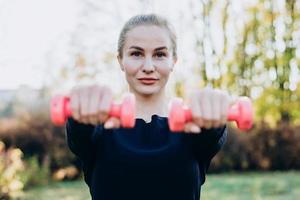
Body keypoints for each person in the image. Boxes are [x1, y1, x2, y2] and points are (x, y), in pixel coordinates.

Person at [66, 14, 229, 200]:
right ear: (120, 60)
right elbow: (78, 132)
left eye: (160, 55)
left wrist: (213, 105)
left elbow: (213, 133)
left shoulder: (194, 128)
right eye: (136, 54)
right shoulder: (97, 130)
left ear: (173, 61)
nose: (149, 66)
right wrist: (81, 103)